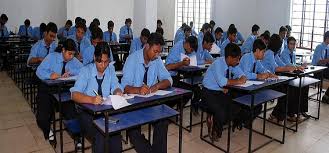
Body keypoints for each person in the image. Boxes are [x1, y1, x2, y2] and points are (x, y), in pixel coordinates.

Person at [121, 33, 171, 153]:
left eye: (159, 52)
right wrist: (138, 90)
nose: (157, 55)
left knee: (163, 121)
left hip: (151, 101)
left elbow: (168, 79)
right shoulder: (132, 59)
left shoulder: (157, 60)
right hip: (133, 103)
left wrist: (156, 86)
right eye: (155, 51)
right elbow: (124, 86)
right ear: (147, 46)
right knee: (132, 130)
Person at [71, 42, 123, 153]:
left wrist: (118, 91)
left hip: (104, 111)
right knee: (101, 132)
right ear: (95, 57)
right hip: (86, 113)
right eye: (100, 62)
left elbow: (116, 85)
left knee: (115, 134)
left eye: (106, 62)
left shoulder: (110, 69)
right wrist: (91, 99)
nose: (103, 65)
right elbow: (74, 94)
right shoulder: (86, 71)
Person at [36, 39, 83, 142]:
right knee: (42, 118)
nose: (71, 57)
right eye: (69, 53)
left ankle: (77, 138)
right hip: (47, 90)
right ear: (63, 50)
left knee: (72, 114)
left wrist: (71, 72)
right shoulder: (51, 57)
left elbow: (83, 70)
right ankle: (48, 131)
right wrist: (50, 75)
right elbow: (39, 71)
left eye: (73, 54)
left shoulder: (73, 60)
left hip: (63, 90)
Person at [202, 43, 246, 141]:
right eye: (236, 59)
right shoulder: (218, 63)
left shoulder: (232, 64)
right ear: (229, 57)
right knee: (221, 112)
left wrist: (242, 76)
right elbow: (222, 82)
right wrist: (238, 81)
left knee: (236, 106)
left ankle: (216, 121)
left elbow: (241, 74)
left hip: (221, 91)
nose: (238, 62)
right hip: (208, 92)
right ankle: (215, 129)